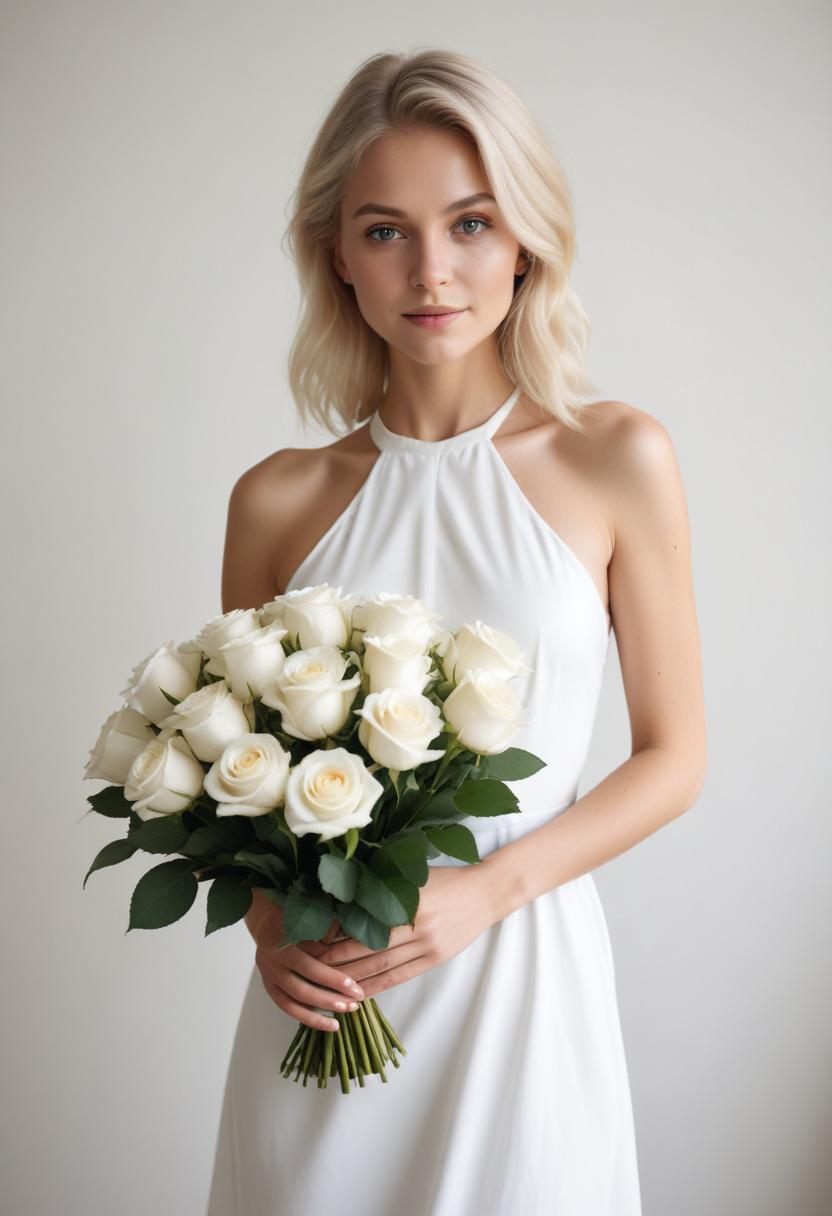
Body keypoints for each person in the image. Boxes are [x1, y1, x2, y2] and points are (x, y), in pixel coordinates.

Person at [207, 47, 706, 1216]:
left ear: (524, 236)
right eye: (385, 231)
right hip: (330, 1012)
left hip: (522, 993)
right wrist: (272, 929)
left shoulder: (614, 458)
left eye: (470, 222)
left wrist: (487, 892)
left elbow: (675, 755)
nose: (431, 271)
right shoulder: (275, 498)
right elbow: (239, 790)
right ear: (336, 252)